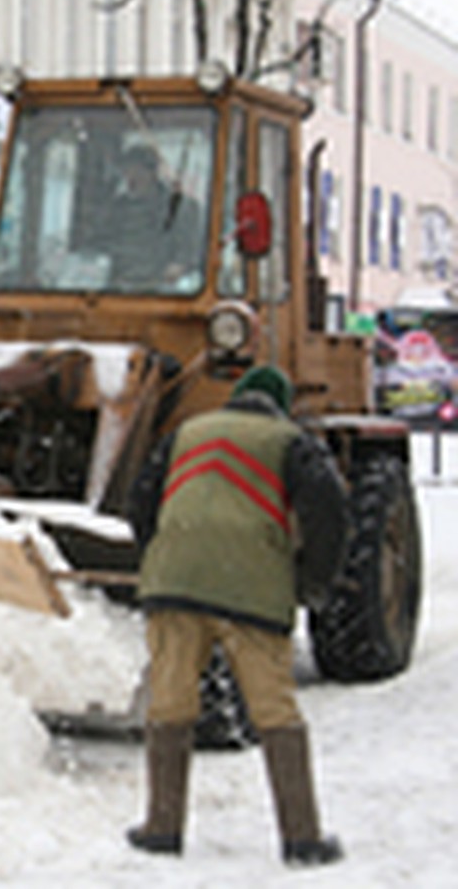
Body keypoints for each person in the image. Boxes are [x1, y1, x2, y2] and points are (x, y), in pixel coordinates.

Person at [124, 365, 349, 866]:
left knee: (171, 704)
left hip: (173, 587)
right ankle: (302, 838)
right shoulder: (292, 441)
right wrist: (313, 584)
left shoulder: (185, 432)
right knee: (274, 711)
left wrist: (162, 561)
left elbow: (140, 501)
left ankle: (162, 827)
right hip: (252, 591)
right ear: (280, 405)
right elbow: (328, 513)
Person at [99, 144, 202, 288]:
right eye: (127, 171)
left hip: (160, 290)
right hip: (118, 288)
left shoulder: (180, 208)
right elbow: (102, 246)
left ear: (153, 173)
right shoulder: (117, 208)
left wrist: (179, 267)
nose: (131, 177)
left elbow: (189, 255)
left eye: (138, 172)